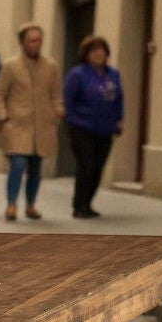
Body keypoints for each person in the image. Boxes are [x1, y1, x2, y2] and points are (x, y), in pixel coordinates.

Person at [0, 23, 63, 221]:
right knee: (18, 163)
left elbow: (57, 94)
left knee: (35, 168)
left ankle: (31, 205)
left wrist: (58, 112)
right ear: (22, 42)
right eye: (32, 40)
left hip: (42, 126)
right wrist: (3, 116)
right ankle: (11, 204)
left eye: (39, 40)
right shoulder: (10, 66)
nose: (36, 44)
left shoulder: (51, 67)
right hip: (17, 125)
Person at [64, 35, 124, 218]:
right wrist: (73, 120)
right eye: (94, 51)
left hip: (105, 129)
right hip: (82, 128)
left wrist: (119, 119)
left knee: (98, 167)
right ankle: (79, 205)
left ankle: (88, 204)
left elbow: (119, 99)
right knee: (86, 166)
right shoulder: (78, 74)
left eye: (102, 50)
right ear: (87, 55)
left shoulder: (112, 75)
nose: (99, 54)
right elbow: (68, 99)